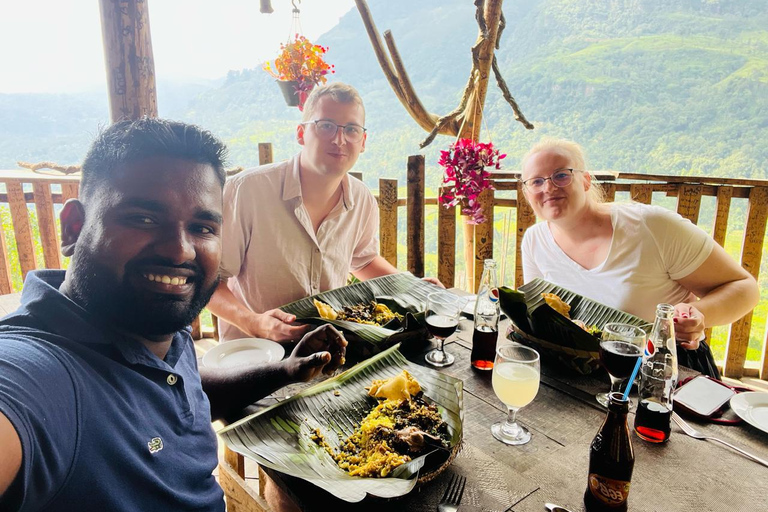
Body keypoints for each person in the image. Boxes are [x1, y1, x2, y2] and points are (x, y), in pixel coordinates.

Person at [0, 119, 346, 511]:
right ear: (74, 227)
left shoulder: (159, 328)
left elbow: (186, 392)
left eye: (202, 226)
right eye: (144, 218)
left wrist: (285, 372)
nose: (180, 251)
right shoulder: (38, 375)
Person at [207, 82, 440, 344]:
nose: (339, 139)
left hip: (327, 348)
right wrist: (254, 323)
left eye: (351, 129)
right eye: (326, 126)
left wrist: (412, 286)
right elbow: (209, 281)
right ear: (300, 133)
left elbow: (363, 260)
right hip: (254, 352)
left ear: (362, 141)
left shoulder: (362, 199)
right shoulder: (247, 190)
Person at [519, 138, 759, 378]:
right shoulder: (534, 241)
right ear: (527, 193)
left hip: (668, 371)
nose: (548, 188)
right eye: (536, 181)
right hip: (584, 373)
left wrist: (700, 315)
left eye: (561, 175)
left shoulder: (651, 227)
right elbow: (543, 318)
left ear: (585, 181)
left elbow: (744, 287)